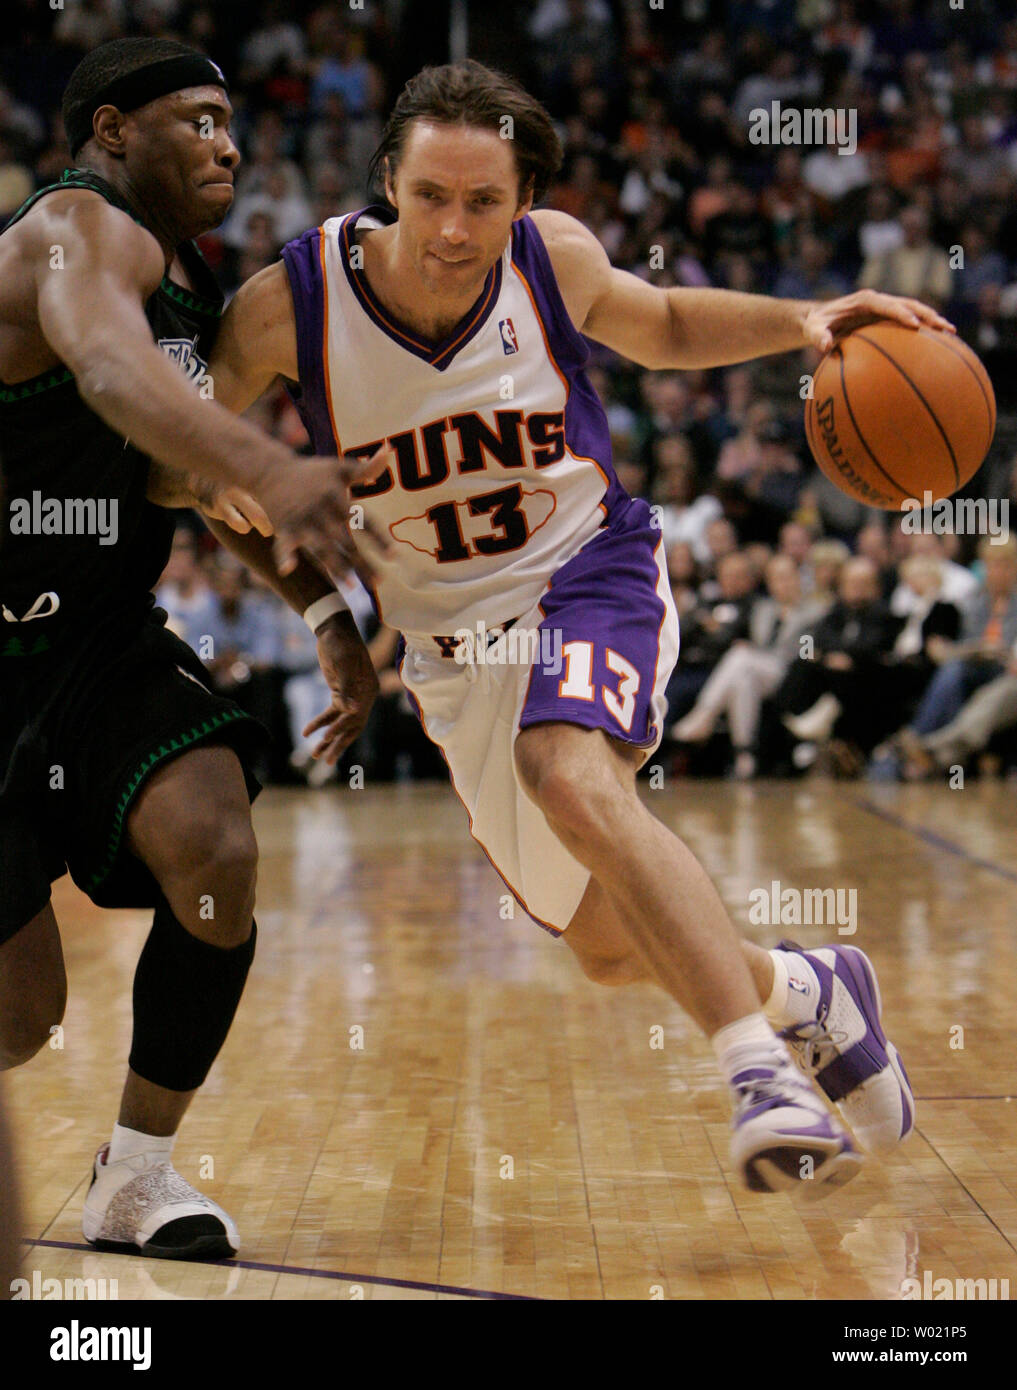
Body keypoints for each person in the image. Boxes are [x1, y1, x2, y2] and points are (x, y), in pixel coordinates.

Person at [207, 60, 950, 1193]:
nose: (456, 229)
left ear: (522, 197)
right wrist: (321, 606)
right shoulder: (284, 308)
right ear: (385, 183)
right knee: (608, 949)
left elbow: (660, 324)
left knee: (567, 769)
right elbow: (184, 471)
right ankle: (807, 989)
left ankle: (760, 1075)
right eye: (430, 197)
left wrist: (804, 320)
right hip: (452, 647)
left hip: (584, 568)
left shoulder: (552, 259)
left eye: (485, 201)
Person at [0, 37, 377, 1261]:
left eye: (231, 123)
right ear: (112, 130)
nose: (228, 143)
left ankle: (136, 1178)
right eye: (199, 120)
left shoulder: (185, 290)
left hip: (98, 640)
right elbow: (108, 370)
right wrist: (270, 458)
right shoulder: (71, 228)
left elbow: (180, 468)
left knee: (214, 851)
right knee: (20, 1021)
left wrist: (327, 615)